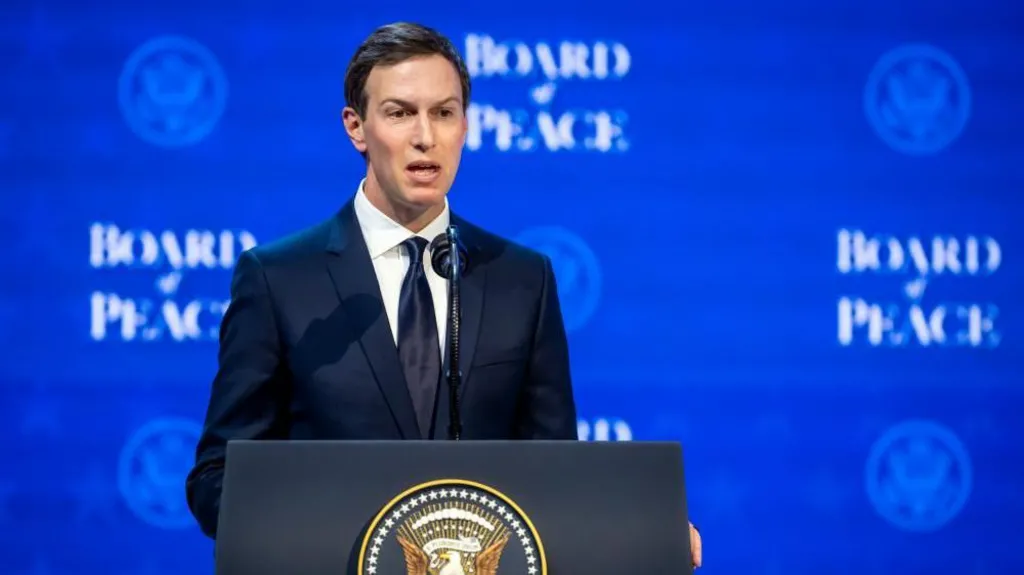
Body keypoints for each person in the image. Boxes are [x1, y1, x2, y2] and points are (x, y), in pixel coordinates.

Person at [183, 21, 701, 568]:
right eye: (400, 113)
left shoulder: (522, 279)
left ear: (465, 126)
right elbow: (218, 478)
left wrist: (640, 529)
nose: (425, 137)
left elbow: (556, 475)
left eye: (444, 113)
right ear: (356, 127)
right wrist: (317, 531)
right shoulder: (279, 279)